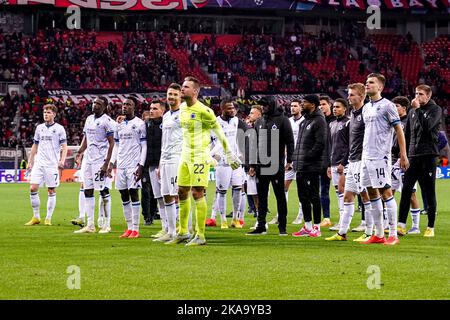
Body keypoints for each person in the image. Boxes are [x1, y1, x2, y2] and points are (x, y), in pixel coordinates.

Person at [166, 76, 240, 246]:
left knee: (197, 192)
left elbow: (219, 132)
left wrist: (228, 153)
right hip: (184, 156)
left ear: (195, 91)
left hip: (199, 156)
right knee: (181, 191)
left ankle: (200, 235)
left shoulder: (204, 111)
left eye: (185, 87)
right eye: (182, 86)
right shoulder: (183, 108)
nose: (182, 89)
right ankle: (183, 232)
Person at [360, 73, 409, 245]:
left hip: (381, 156)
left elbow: (399, 130)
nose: (367, 85)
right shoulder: (366, 107)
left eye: (371, 82)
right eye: (366, 82)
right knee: (371, 192)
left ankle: (393, 235)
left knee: (386, 192)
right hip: (366, 156)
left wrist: (403, 154)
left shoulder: (388, 106)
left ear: (380, 87)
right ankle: (379, 234)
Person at [325, 84, 373, 242]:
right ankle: (342, 232)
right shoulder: (353, 114)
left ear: (361, 96)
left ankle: (369, 231)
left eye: (352, 95)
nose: (349, 97)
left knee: (366, 195)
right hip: (352, 161)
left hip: (361, 160)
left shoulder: (366, 113)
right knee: (347, 196)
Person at [246, 96, 294, 236]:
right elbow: (254, 144)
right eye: (262, 105)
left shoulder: (283, 120)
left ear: (272, 105)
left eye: (265, 105)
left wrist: (289, 160)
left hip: (276, 165)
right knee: (261, 197)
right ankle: (261, 226)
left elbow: (290, 141)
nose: (263, 107)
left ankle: (282, 227)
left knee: (280, 196)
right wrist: (252, 164)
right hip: (261, 165)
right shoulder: (259, 121)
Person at [398, 85, 441, 237]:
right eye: (416, 93)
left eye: (421, 94)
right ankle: (401, 225)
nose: (417, 96)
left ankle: (430, 227)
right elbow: (407, 135)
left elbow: (428, 127)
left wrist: (417, 110)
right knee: (406, 190)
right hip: (413, 157)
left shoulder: (435, 110)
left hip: (428, 156)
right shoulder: (412, 112)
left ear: (428, 96)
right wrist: (403, 155)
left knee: (429, 191)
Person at [74, 97, 115, 234]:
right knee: (88, 190)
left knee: (103, 191)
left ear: (105, 106)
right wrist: (80, 152)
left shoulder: (107, 122)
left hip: (100, 161)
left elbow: (112, 144)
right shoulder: (89, 119)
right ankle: (90, 225)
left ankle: (107, 224)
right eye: (94, 103)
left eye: (99, 103)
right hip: (88, 160)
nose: (95, 105)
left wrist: (106, 163)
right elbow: (86, 139)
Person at [109, 97, 147, 239]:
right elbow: (117, 145)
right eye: (124, 104)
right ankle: (129, 227)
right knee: (123, 195)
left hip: (133, 165)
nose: (125, 107)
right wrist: (112, 163)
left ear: (134, 107)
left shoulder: (140, 124)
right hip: (121, 166)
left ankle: (136, 229)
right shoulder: (118, 125)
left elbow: (144, 146)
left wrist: (141, 165)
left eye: (128, 105)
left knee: (134, 193)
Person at [25, 104, 68, 226]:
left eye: (48, 112)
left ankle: (48, 218)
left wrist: (62, 161)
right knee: (32, 188)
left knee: (51, 190)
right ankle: (36, 217)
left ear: (54, 114)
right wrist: (30, 160)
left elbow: (64, 147)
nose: (46, 114)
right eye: (45, 112)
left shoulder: (59, 129)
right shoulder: (39, 128)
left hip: (51, 164)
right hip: (39, 163)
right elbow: (35, 145)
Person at [207, 98, 247, 229]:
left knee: (237, 189)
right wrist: (211, 155)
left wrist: (240, 155)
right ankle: (223, 219)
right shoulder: (215, 123)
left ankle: (235, 219)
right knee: (222, 191)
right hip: (223, 162)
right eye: (229, 108)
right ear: (222, 109)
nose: (233, 110)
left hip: (236, 161)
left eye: (234, 108)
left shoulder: (236, 121)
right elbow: (216, 143)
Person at [292, 95, 327, 238]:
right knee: (303, 196)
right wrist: (296, 159)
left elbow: (320, 143)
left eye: (304, 103)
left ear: (312, 105)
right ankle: (307, 226)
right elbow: (299, 144)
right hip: (301, 165)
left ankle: (316, 227)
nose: (302, 105)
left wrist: (307, 157)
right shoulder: (305, 121)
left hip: (311, 166)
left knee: (313, 196)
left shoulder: (319, 121)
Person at [154, 84, 183, 242]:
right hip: (164, 160)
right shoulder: (166, 116)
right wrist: (159, 163)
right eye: (169, 94)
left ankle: (184, 229)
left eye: (174, 94)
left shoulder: (184, 114)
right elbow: (164, 142)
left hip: (176, 159)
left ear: (180, 96)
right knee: (166, 195)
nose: (171, 97)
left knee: (177, 194)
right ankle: (171, 231)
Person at [390, 96, 421, 234]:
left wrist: (406, 157)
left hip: (406, 161)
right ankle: (389, 224)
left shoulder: (410, 120)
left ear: (404, 108)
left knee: (410, 195)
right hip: (392, 161)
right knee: (388, 191)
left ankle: (415, 226)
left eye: (396, 106)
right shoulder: (391, 121)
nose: (394, 108)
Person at [327, 98, 350, 232]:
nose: (335, 109)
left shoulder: (348, 123)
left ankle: (344, 221)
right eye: (334, 107)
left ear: (345, 108)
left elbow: (350, 145)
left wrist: (343, 162)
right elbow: (330, 145)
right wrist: (329, 165)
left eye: (338, 107)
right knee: (338, 192)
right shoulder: (331, 123)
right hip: (334, 162)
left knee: (343, 192)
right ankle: (342, 220)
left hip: (344, 163)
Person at [285, 99, 305, 225]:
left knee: (301, 189)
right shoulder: (287, 121)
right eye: (291, 106)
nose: (293, 108)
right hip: (288, 160)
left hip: (300, 159)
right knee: (283, 187)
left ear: (300, 108)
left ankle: (300, 215)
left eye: (295, 106)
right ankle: (282, 214)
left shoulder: (305, 121)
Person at [318, 95, 335, 227]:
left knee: (346, 191)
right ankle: (326, 218)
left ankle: (364, 220)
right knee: (323, 189)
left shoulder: (336, 121)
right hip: (322, 160)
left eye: (323, 104)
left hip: (337, 160)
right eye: (319, 105)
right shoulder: (319, 121)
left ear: (329, 104)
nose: (321, 107)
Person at [140, 110, 159, 226]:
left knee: (154, 192)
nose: (148, 119)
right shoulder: (141, 129)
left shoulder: (157, 128)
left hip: (155, 162)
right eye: (146, 118)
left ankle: (152, 214)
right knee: (145, 191)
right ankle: (146, 216)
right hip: (145, 164)